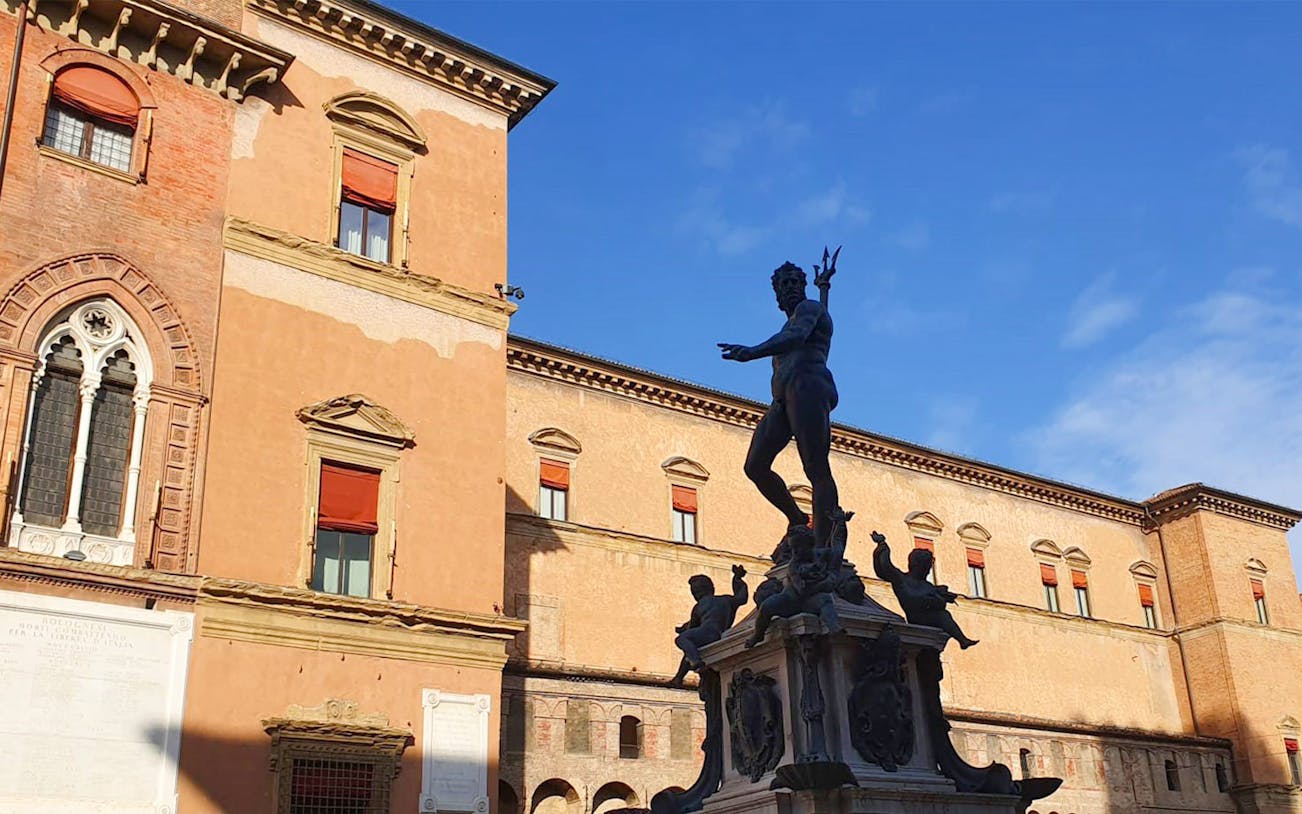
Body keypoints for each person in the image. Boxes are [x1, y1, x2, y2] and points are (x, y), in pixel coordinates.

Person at [719, 262, 840, 550]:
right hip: (783, 399)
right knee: (755, 466)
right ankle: (798, 518)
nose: (787, 289)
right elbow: (799, 331)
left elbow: (798, 336)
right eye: (782, 285)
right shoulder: (801, 316)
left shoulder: (809, 311)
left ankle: (824, 546)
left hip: (808, 387)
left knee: (816, 468)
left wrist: (752, 352)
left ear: (802, 285)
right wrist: (824, 288)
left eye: (792, 282)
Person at [871, 531, 979, 649]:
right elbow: (885, 567)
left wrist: (942, 597)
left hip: (928, 621)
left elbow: (939, 602)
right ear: (918, 565)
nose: (928, 570)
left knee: (943, 615)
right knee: (942, 616)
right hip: (916, 618)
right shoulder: (902, 579)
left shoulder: (927, 585)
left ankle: (962, 640)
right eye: (927, 566)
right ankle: (962, 640)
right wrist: (882, 544)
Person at [745, 526, 843, 648]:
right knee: (766, 606)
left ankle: (834, 628)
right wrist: (825, 584)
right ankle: (758, 634)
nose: (795, 552)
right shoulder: (794, 566)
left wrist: (840, 524)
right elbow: (802, 591)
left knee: (825, 600)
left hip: (809, 601)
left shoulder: (821, 556)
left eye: (798, 547)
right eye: (792, 548)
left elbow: (838, 548)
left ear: (809, 544)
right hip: (790, 601)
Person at [670, 564, 749, 686]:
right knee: (689, 650)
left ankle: (694, 664)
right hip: (719, 633)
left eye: (696, 592)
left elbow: (693, 626)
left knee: (682, 639)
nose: (695, 595)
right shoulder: (726, 600)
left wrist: (684, 629)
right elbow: (742, 598)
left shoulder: (698, 606)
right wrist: (737, 579)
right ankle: (680, 676)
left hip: (709, 634)